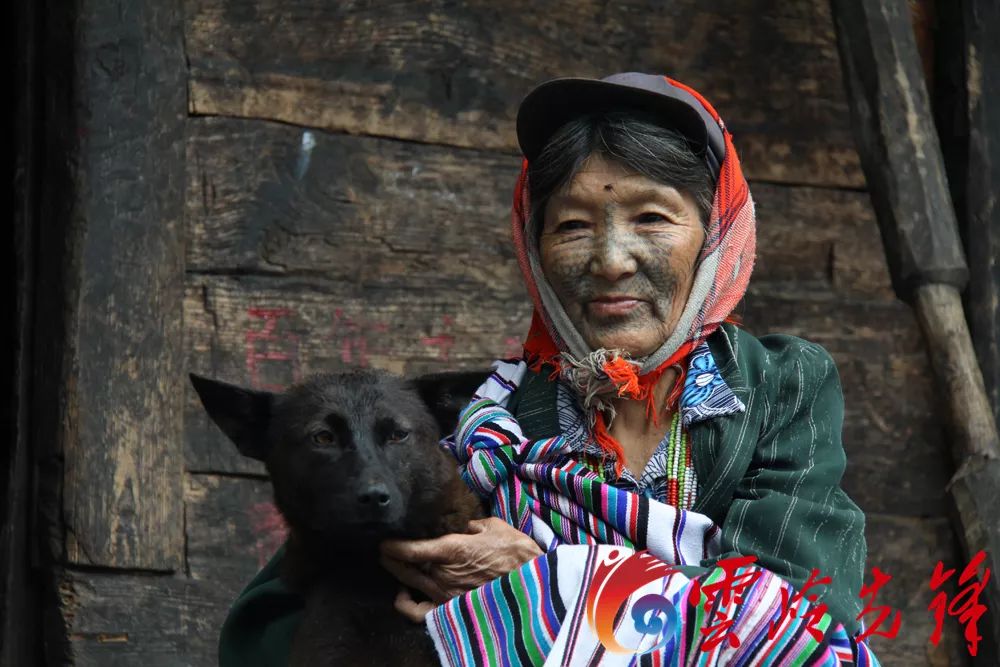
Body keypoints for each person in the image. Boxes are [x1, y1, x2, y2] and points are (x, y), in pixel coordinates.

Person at [219, 73, 880, 666]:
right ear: (532, 247)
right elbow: (270, 622)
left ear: (714, 232)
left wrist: (545, 586)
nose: (611, 260)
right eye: (571, 226)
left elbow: (795, 612)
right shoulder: (484, 416)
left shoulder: (778, 386)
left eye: (652, 217)